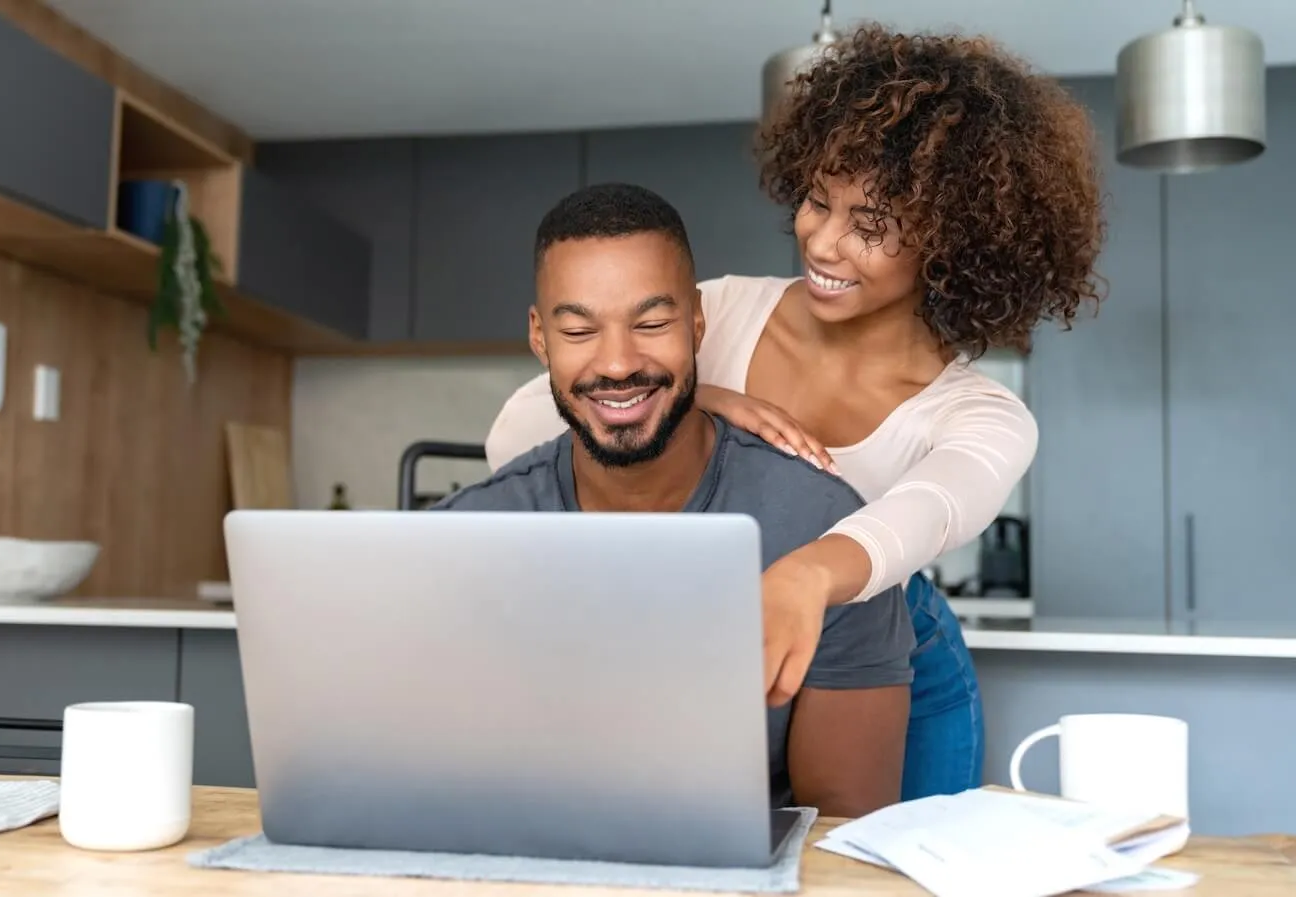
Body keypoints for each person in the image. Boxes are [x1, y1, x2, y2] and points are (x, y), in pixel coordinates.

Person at [483, 24, 1106, 801]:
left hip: (897, 665)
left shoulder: (981, 415)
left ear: (951, 242)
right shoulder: (722, 310)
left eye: (869, 225)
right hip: (718, 636)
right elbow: (514, 434)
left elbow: (923, 512)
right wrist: (684, 394)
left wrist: (806, 576)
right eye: (818, 200)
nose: (823, 240)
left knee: (885, 866)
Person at [433, 182, 915, 817]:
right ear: (540, 338)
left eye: (652, 324)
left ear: (696, 321)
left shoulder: (821, 528)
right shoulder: (455, 541)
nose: (617, 363)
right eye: (578, 330)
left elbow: (838, 836)